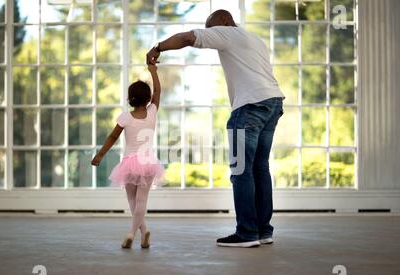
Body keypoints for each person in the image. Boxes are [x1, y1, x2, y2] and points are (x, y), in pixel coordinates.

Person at [146, 10, 285, 248]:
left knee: (241, 171)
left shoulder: (227, 32)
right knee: (260, 168)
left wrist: (158, 48)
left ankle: (247, 233)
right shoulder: (254, 40)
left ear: (225, 22)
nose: (211, 34)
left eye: (212, 29)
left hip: (250, 107)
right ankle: (263, 230)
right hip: (273, 103)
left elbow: (188, 38)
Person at [91, 64, 164, 249]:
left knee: (132, 200)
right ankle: (142, 230)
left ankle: (133, 232)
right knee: (142, 201)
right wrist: (153, 70)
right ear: (148, 98)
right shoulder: (152, 112)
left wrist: (100, 155)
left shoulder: (125, 117)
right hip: (148, 162)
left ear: (130, 99)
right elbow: (158, 91)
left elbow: (112, 137)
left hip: (129, 163)